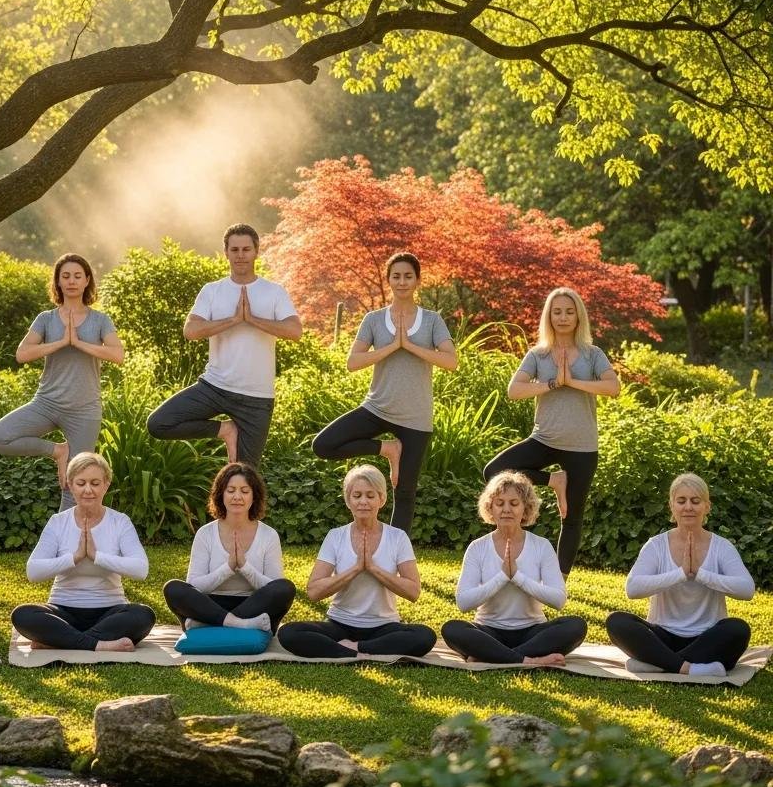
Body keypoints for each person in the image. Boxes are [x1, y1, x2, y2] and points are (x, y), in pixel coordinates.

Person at [312, 252, 457, 533]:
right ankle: (387, 449)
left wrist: (410, 345)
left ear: (417, 281)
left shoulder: (431, 321)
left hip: (415, 417)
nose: (402, 282)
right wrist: (392, 346)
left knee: (404, 492)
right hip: (377, 408)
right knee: (324, 445)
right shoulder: (374, 320)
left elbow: (450, 361)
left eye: (408, 276)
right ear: (389, 280)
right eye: (396, 276)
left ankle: (395, 557)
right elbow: (353, 362)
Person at [482, 287, 620, 574]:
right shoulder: (539, 355)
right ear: (549, 316)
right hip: (544, 439)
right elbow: (514, 390)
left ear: (579, 316)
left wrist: (573, 382)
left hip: (582, 446)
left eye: (569, 311)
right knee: (494, 471)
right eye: (557, 311)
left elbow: (613, 387)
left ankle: (559, 579)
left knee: (571, 516)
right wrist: (554, 383)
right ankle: (553, 481)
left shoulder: (592, 354)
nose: (563, 317)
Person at [147, 223, 301, 468]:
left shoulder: (274, 292)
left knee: (246, 476)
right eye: (235, 249)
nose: (241, 255)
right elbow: (191, 331)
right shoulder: (212, 291)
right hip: (214, 387)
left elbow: (295, 331)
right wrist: (232, 320)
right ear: (226, 252)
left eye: (246, 249)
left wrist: (252, 320)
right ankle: (225, 430)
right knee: (159, 423)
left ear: (256, 251)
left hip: (257, 398)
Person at [0, 253, 123, 511]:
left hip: (84, 409)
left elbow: (118, 355)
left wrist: (79, 342)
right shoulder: (46, 319)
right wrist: (61, 342)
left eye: (77, 276)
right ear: (58, 282)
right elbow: (22, 354)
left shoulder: (100, 320)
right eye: (65, 276)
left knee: (75, 485)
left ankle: (68, 546)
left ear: (87, 281)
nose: (71, 281)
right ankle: (58, 451)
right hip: (47, 403)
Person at [277, 465, 436, 659]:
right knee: (289, 633)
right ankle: (360, 649)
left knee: (425, 636)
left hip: (384, 626)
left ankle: (354, 648)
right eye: (357, 495)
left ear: (382, 499)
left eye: (370, 496)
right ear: (348, 500)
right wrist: (355, 569)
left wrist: (372, 568)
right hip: (339, 624)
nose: (363, 502)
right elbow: (314, 591)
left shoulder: (397, 537)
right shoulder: (336, 536)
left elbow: (413, 591)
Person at [606, 473, 754, 677]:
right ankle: (688, 668)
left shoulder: (722, 547)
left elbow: (746, 589)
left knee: (738, 629)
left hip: (707, 637)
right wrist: (681, 574)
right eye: (681, 501)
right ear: (672, 506)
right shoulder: (656, 545)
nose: (688, 507)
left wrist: (700, 574)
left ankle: (658, 664)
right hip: (662, 637)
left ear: (706, 506)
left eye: (695, 501)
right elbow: (632, 589)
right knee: (617, 621)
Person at [12, 452, 155, 652]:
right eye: (81, 483)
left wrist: (97, 557)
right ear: (70, 485)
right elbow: (33, 571)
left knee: (143, 615)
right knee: (23, 615)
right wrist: (75, 557)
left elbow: (141, 569)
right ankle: (99, 644)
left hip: (110, 612)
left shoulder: (120, 521)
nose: (88, 490)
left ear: (106, 484)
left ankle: (59, 641)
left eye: (95, 483)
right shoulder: (58, 522)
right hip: (63, 610)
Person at [441, 471, 587, 666]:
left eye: (514, 503)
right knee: (452, 629)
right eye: (499, 503)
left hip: (532, 632)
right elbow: (463, 602)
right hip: (489, 631)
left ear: (525, 509)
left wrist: (518, 577)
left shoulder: (541, 546)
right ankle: (526, 660)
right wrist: (502, 577)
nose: (506, 509)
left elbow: (558, 599)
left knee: (575, 626)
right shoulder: (478, 547)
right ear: (490, 508)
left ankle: (492, 656)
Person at [163, 463, 296, 633]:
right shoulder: (206, 533)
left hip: (253, 606)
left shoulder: (268, 535)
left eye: (245, 491)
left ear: (254, 496)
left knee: (285, 588)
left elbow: (273, 586)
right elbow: (195, 586)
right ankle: (238, 625)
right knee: (173, 588)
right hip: (210, 605)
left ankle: (210, 625)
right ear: (221, 495)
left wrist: (244, 567)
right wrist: (228, 567)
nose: (237, 497)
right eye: (231, 490)